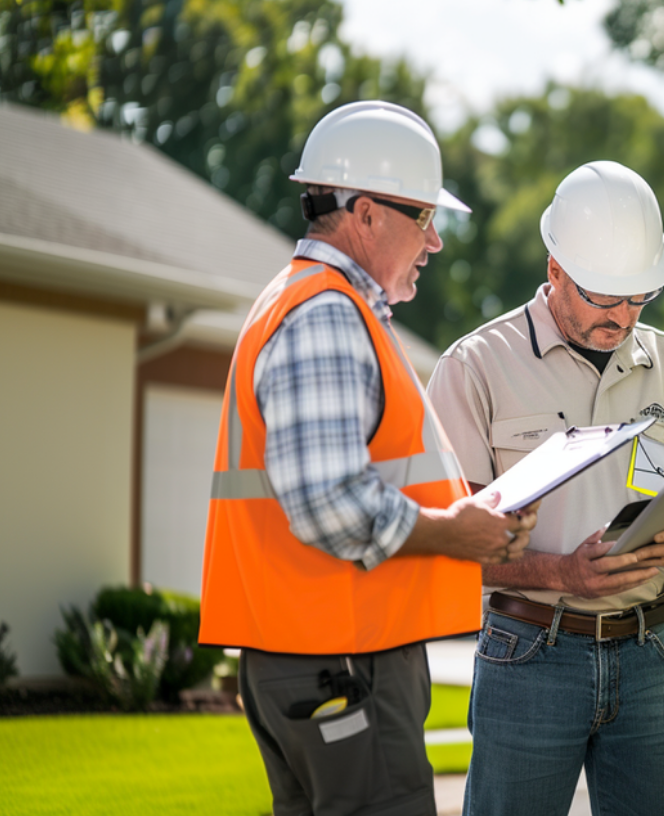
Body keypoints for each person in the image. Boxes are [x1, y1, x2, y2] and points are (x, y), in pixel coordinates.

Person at [198, 100, 537, 816]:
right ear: (366, 213)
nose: (436, 241)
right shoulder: (324, 313)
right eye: (424, 217)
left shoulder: (306, 303)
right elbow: (330, 502)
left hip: (314, 655)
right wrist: (458, 530)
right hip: (341, 659)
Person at [427, 159, 664, 816]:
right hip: (530, 654)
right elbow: (450, 544)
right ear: (555, 270)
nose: (622, 317)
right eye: (603, 297)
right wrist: (563, 573)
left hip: (657, 651)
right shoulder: (476, 365)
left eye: (638, 299)